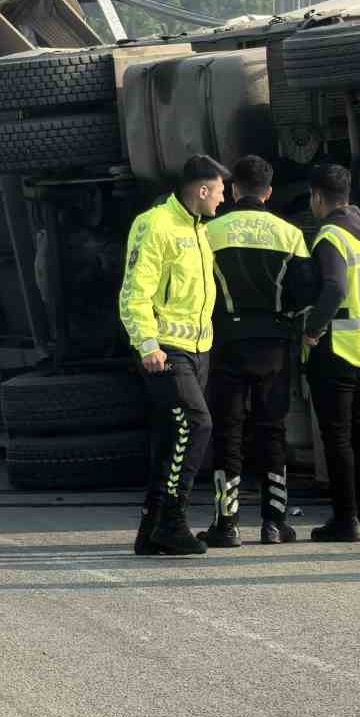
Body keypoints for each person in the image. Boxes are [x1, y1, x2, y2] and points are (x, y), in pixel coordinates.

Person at [198, 154, 313, 548]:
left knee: (228, 431)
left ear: (233, 191)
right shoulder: (290, 234)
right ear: (268, 191)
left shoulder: (209, 232)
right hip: (274, 346)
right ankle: (274, 523)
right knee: (272, 430)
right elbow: (306, 293)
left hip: (225, 343)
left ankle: (225, 524)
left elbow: (199, 290)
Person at [118, 154, 228, 557]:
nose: (222, 200)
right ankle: (172, 521)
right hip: (166, 351)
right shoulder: (156, 224)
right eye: (219, 192)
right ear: (202, 190)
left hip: (198, 351)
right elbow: (135, 291)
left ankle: (150, 531)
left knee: (171, 436)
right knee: (197, 424)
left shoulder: (200, 229)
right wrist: (147, 344)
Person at [302, 163, 360, 542]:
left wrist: (312, 330)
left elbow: (336, 289)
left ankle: (345, 519)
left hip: (339, 348)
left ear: (319, 197)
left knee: (337, 437)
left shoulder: (331, 237)